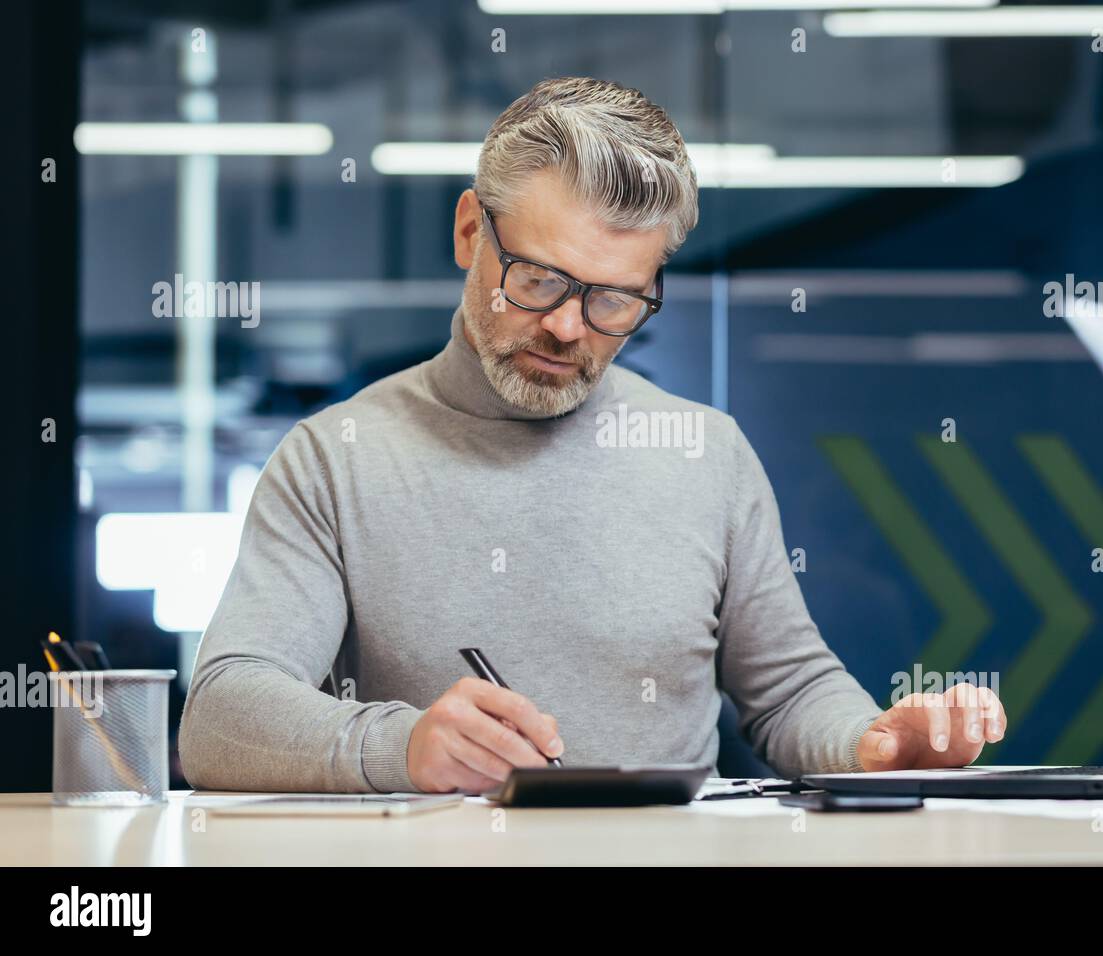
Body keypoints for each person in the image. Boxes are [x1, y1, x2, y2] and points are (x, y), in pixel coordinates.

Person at [178, 76, 1005, 794]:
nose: (569, 328)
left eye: (615, 300)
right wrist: (401, 745)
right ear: (472, 231)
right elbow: (219, 716)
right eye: (537, 280)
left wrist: (875, 746)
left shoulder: (704, 455)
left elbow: (790, 693)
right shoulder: (334, 462)